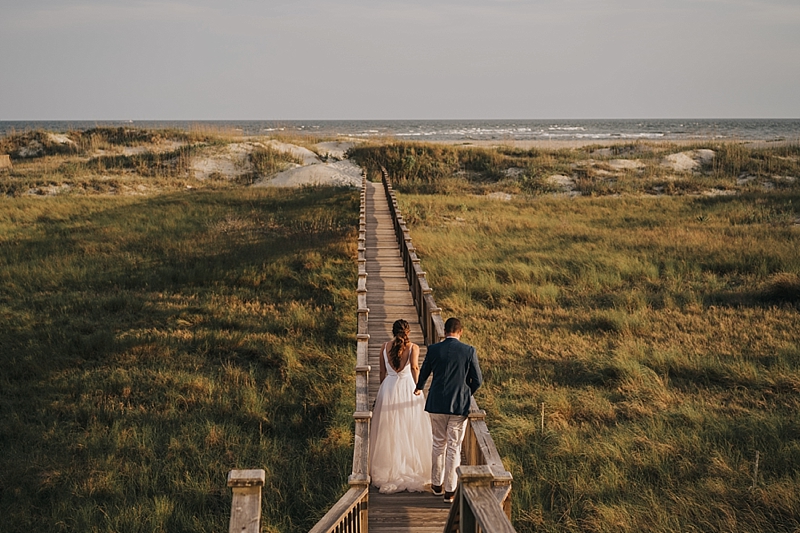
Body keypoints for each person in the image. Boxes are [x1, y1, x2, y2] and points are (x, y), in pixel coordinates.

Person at [414, 317, 482, 503]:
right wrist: (466, 393)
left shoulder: (434, 349)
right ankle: (450, 491)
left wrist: (419, 386)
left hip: (436, 403)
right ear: (461, 332)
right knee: (454, 447)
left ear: (444, 332)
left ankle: (436, 485)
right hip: (458, 406)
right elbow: (478, 380)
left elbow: (425, 371)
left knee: (438, 444)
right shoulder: (468, 351)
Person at [369, 319, 433, 493]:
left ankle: (389, 467)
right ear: (409, 332)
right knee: (411, 428)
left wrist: (384, 389)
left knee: (388, 429)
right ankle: (409, 464)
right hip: (408, 387)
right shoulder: (414, 348)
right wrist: (419, 387)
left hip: (388, 387)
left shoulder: (383, 347)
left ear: (393, 331)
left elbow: (382, 373)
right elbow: (414, 367)